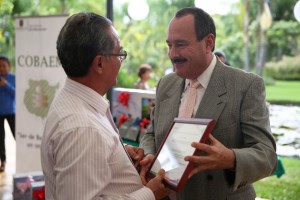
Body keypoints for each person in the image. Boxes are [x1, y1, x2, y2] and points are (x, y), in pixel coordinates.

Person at [139, 7, 277, 200]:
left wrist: (230, 158)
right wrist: (149, 156)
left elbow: (267, 156)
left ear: (208, 43)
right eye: (169, 45)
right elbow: (151, 133)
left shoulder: (246, 85)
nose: (172, 54)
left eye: (180, 44)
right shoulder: (165, 84)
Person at [40, 12, 170, 200]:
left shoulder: (75, 100)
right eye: (119, 54)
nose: (121, 61)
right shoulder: (83, 129)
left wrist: (118, 153)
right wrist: (150, 193)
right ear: (99, 63)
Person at [0, 55, 15, 172]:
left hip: (11, 112)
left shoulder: (13, 78)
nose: (1, 68)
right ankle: (3, 161)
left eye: (4, 66)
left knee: (16, 136)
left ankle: (23, 157)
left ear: (9, 67)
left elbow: (17, 93)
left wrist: (6, 85)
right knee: (1, 138)